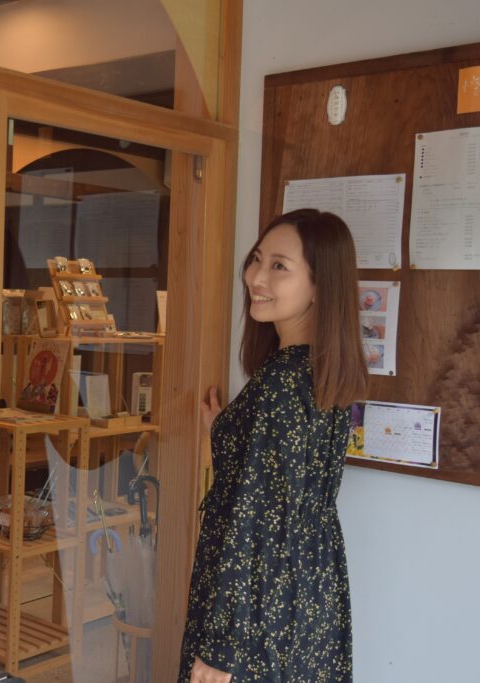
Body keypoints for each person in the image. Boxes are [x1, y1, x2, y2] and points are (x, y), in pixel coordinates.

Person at [179, 209, 368, 683]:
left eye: (279, 266)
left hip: (257, 616)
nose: (256, 277)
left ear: (320, 285)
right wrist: (230, 432)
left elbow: (257, 524)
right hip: (309, 591)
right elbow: (284, 493)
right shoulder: (321, 372)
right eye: (257, 259)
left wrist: (223, 647)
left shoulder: (281, 384)